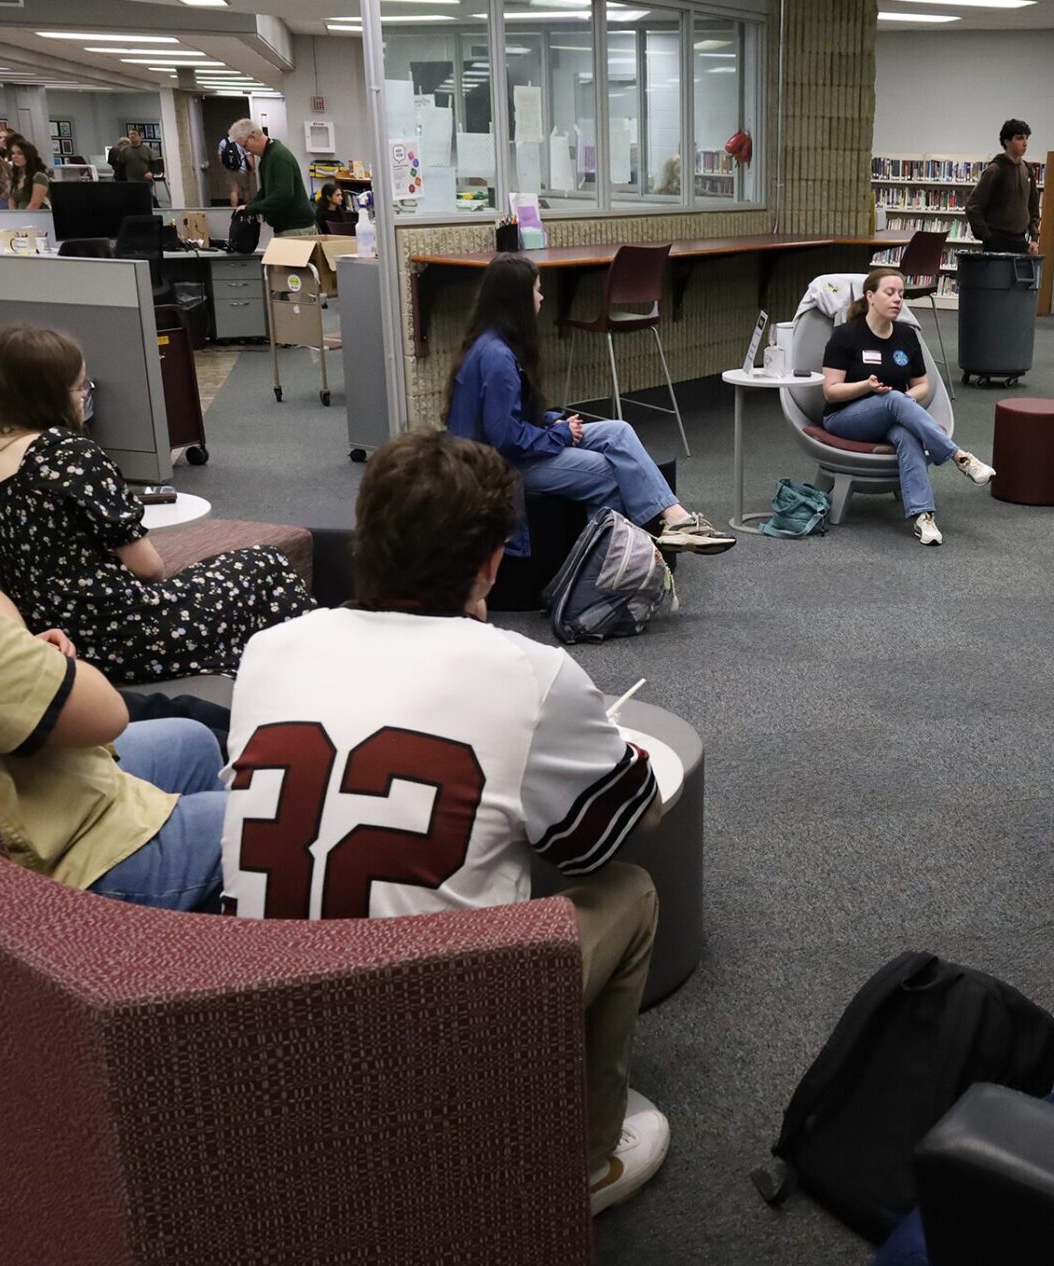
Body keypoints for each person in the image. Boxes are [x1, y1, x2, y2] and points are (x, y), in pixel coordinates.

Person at [221, 431, 669, 1212]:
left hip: (261, 1023)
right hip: (427, 1036)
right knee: (631, 893)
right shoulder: (528, 669)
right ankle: (586, 1161)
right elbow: (610, 832)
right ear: (491, 563)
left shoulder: (268, 650)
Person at [0, 325, 314, 685]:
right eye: (80, 388)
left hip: (57, 637)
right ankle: (302, 674)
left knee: (221, 575)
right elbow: (149, 569)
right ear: (50, 394)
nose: (84, 398)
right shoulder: (64, 453)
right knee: (265, 564)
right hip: (126, 634)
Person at [0, 566, 226, 912]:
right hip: (55, 859)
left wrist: (17, 650)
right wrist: (30, 655)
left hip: (13, 781)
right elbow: (106, 714)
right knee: (271, 822)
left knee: (192, 739)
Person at [442, 255, 734, 557]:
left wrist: (553, 422)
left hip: (502, 453)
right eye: (537, 289)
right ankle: (604, 566)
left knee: (618, 431)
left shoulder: (491, 343)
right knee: (609, 472)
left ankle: (676, 519)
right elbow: (505, 437)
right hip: (499, 467)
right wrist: (560, 435)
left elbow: (508, 416)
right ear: (517, 298)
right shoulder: (498, 358)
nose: (542, 297)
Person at [821, 267, 995, 546]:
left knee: (906, 433)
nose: (897, 300)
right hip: (845, 418)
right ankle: (960, 458)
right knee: (893, 400)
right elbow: (830, 392)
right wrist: (867, 387)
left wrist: (904, 403)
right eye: (889, 293)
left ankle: (924, 516)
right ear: (870, 296)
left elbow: (922, 385)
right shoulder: (846, 335)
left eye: (901, 294)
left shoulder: (906, 335)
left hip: (891, 415)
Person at [964, 118, 1040, 254]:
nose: (1025, 143)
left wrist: (1034, 237)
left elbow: (1033, 206)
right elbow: (973, 206)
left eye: (1026, 138)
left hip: (1020, 241)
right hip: (997, 241)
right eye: (1019, 138)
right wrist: (986, 236)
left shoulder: (1027, 169)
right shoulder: (996, 169)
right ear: (1007, 141)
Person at [228, 118, 316, 236]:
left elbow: (283, 195)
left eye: (245, 146)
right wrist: (249, 207)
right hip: (286, 227)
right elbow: (265, 191)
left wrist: (252, 208)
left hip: (296, 227)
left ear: (253, 136)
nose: (246, 151)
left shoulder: (278, 156)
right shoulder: (266, 158)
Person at [5, 135, 51, 211]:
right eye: (13, 153)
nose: (14, 156)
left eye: (20, 153)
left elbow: (35, 204)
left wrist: (23, 219)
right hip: (20, 217)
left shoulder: (39, 177)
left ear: (28, 155)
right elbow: (12, 202)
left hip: (35, 217)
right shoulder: (16, 177)